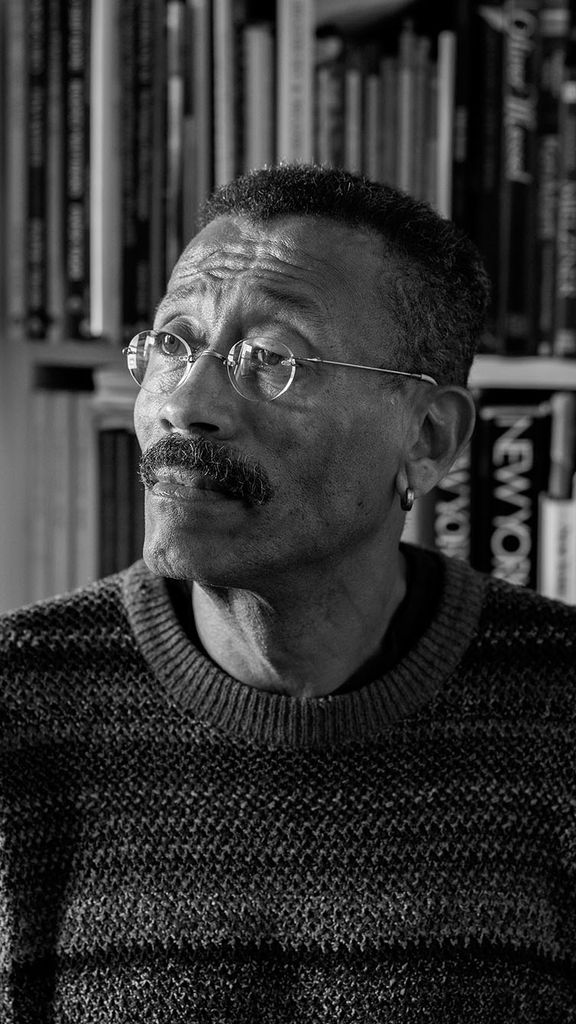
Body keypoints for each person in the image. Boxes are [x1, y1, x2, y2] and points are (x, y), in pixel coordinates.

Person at [1, 163, 575, 1023]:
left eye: (272, 358)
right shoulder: (19, 705)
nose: (184, 405)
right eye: (173, 343)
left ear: (427, 438)